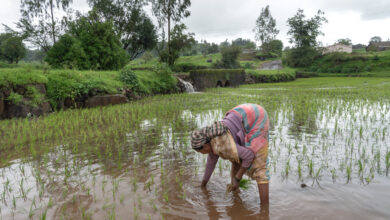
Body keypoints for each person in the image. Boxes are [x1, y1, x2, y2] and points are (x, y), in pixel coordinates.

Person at [191, 103, 270, 205]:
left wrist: (238, 178)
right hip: (240, 112)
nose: (201, 154)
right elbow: (210, 166)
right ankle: (236, 195)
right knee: (235, 157)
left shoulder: (223, 145)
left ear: (205, 146)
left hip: (257, 116)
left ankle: (264, 211)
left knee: (259, 168)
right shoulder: (212, 141)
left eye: (199, 151)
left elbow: (249, 156)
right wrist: (203, 186)